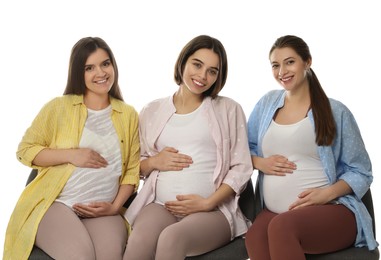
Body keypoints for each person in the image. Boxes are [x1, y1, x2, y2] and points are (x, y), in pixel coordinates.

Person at [3, 37, 140, 260]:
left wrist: (114, 207)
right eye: (89, 68)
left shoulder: (128, 115)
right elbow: (25, 150)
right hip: (58, 204)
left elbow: (132, 171)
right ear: (78, 72)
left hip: (103, 210)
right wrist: (72, 155)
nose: (101, 72)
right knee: (80, 256)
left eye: (105, 64)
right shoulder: (58, 107)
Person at [245, 35, 378, 260]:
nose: (282, 71)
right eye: (275, 65)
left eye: (290, 62)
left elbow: (362, 171)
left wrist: (325, 194)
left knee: (281, 228)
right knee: (254, 237)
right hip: (276, 212)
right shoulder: (267, 104)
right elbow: (242, 150)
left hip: (332, 210)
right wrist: (260, 163)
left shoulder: (336, 111)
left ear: (307, 62)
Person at [123, 35, 253, 260]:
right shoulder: (151, 111)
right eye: (197, 64)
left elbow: (241, 167)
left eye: (212, 71)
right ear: (183, 62)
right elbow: (134, 166)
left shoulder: (229, 109)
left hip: (212, 211)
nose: (203, 76)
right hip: (160, 205)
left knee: (172, 239)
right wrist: (154, 162)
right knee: (138, 241)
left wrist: (207, 203)